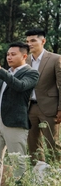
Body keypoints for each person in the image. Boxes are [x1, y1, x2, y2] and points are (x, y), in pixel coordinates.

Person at [0, 43, 39, 186]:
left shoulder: (31, 73)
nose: (9, 57)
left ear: (24, 56)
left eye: (13, 54)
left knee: (17, 160)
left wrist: (0, 70)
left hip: (15, 123)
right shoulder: (5, 73)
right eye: (8, 54)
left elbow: (19, 86)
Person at [25, 29, 61, 162]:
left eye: (33, 40)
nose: (29, 44)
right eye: (27, 41)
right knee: (33, 145)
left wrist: (60, 108)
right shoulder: (26, 60)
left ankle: (56, 176)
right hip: (30, 108)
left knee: (53, 144)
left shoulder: (55, 59)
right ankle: (38, 175)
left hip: (50, 108)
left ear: (43, 41)